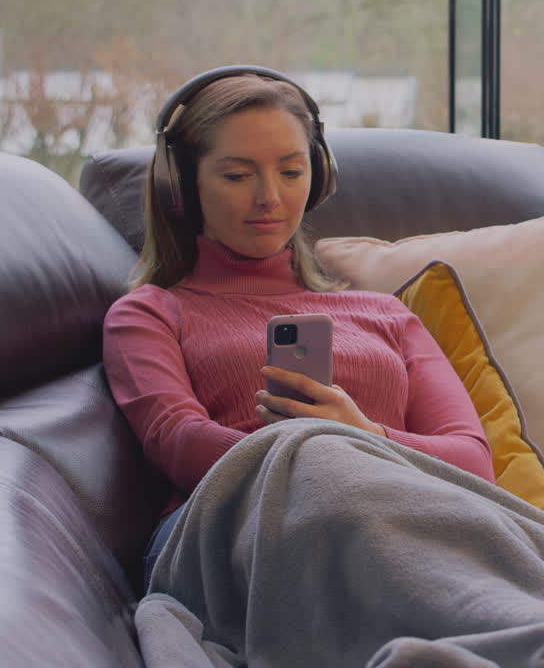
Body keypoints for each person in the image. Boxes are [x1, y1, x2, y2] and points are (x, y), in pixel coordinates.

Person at [101, 66, 495, 585]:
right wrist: (329, 453)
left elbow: (473, 461)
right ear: (182, 186)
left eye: (291, 172)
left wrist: (367, 434)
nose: (270, 197)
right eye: (237, 176)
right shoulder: (150, 313)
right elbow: (180, 443)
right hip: (242, 530)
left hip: (403, 526)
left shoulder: (387, 313)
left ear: (318, 176)